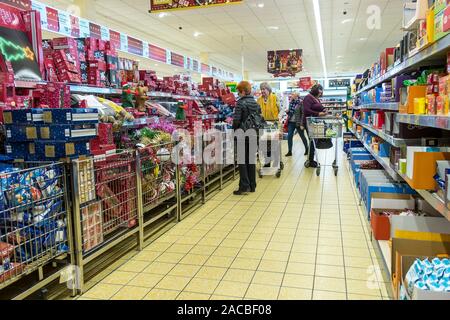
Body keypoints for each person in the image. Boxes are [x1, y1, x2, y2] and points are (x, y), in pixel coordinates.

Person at [233, 81, 261, 196]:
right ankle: (252, 185)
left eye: (239, 92)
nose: (238, 94)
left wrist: (234, 130)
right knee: (250, 160)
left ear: (243, 91)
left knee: (242, 160)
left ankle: (244, 186)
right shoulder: (255, 103)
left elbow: (236, 120)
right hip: (253, 134)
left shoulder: (240, 103)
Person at [302, 84, 327, 168]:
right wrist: (318, 113)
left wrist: (324, 110)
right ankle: (310, 160)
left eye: (321, 90)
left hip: (315, 122)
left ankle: (310, 159)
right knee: (312, 141)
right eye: (320, 90)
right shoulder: (308, 97)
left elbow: (318, 107)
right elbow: (306, 110)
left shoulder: (316, 99)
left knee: (314, 141)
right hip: (309, 122)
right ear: (315, 90)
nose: (321, 92)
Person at [257, 82, 280, 167]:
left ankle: (274, 161)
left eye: (264, 89)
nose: (262, 91)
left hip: (273, 123)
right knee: (264, 144)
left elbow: (281, 110)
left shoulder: (274, 97)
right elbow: (257, 112)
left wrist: (278, 119)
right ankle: (267, 162)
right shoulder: (259, 100)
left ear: (268, 89)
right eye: (261, 89)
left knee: (273, 143)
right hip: (263, 124)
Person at [285, 93, 309, 157]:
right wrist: (287, 112)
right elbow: (290, 112)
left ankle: (307, 149)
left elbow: (303, 113)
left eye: (293, 94)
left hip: (298, 123)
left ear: (296, 96)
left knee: (302, 136)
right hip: (291, 122)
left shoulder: (301, 103)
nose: (291, 95)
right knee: (289, 136)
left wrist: (302, 124)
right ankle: (289, 151)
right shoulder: (291, 103)